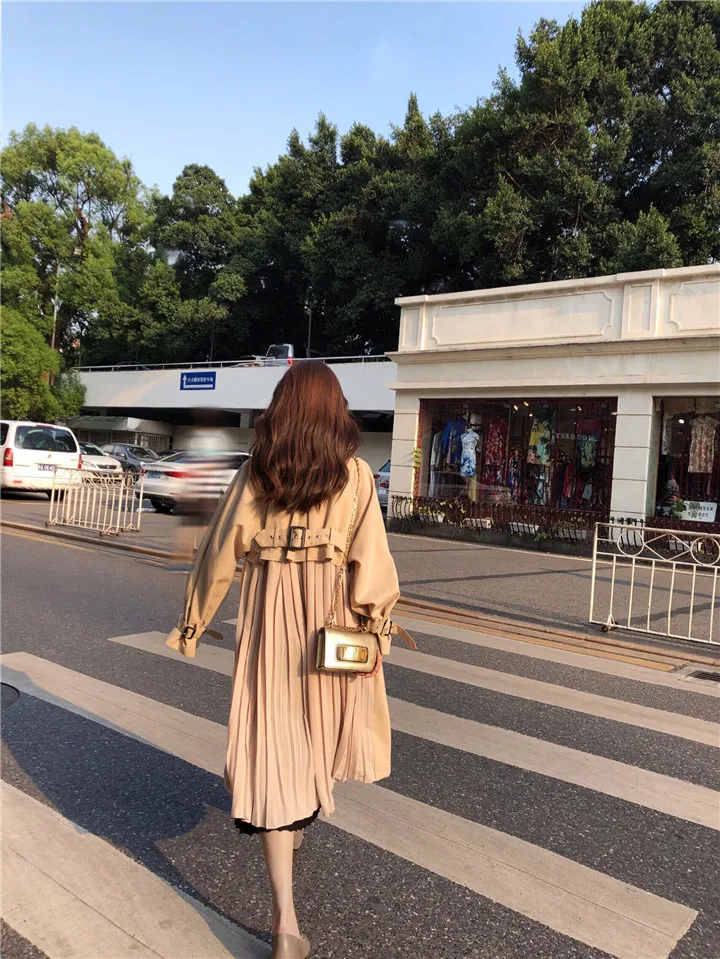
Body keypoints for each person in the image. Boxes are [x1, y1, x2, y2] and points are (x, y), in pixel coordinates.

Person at [165, 362, 408, 959]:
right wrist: (377, 628)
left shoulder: (256, 473)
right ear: (334, 411)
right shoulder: (355, 476)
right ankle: (296, 819)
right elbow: (372, 561)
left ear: (281, 409)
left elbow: (218, 554)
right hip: (332, 626)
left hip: (270, 626)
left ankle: (286, 923)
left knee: (273, 750)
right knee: (319, 735)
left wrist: (194, 624)